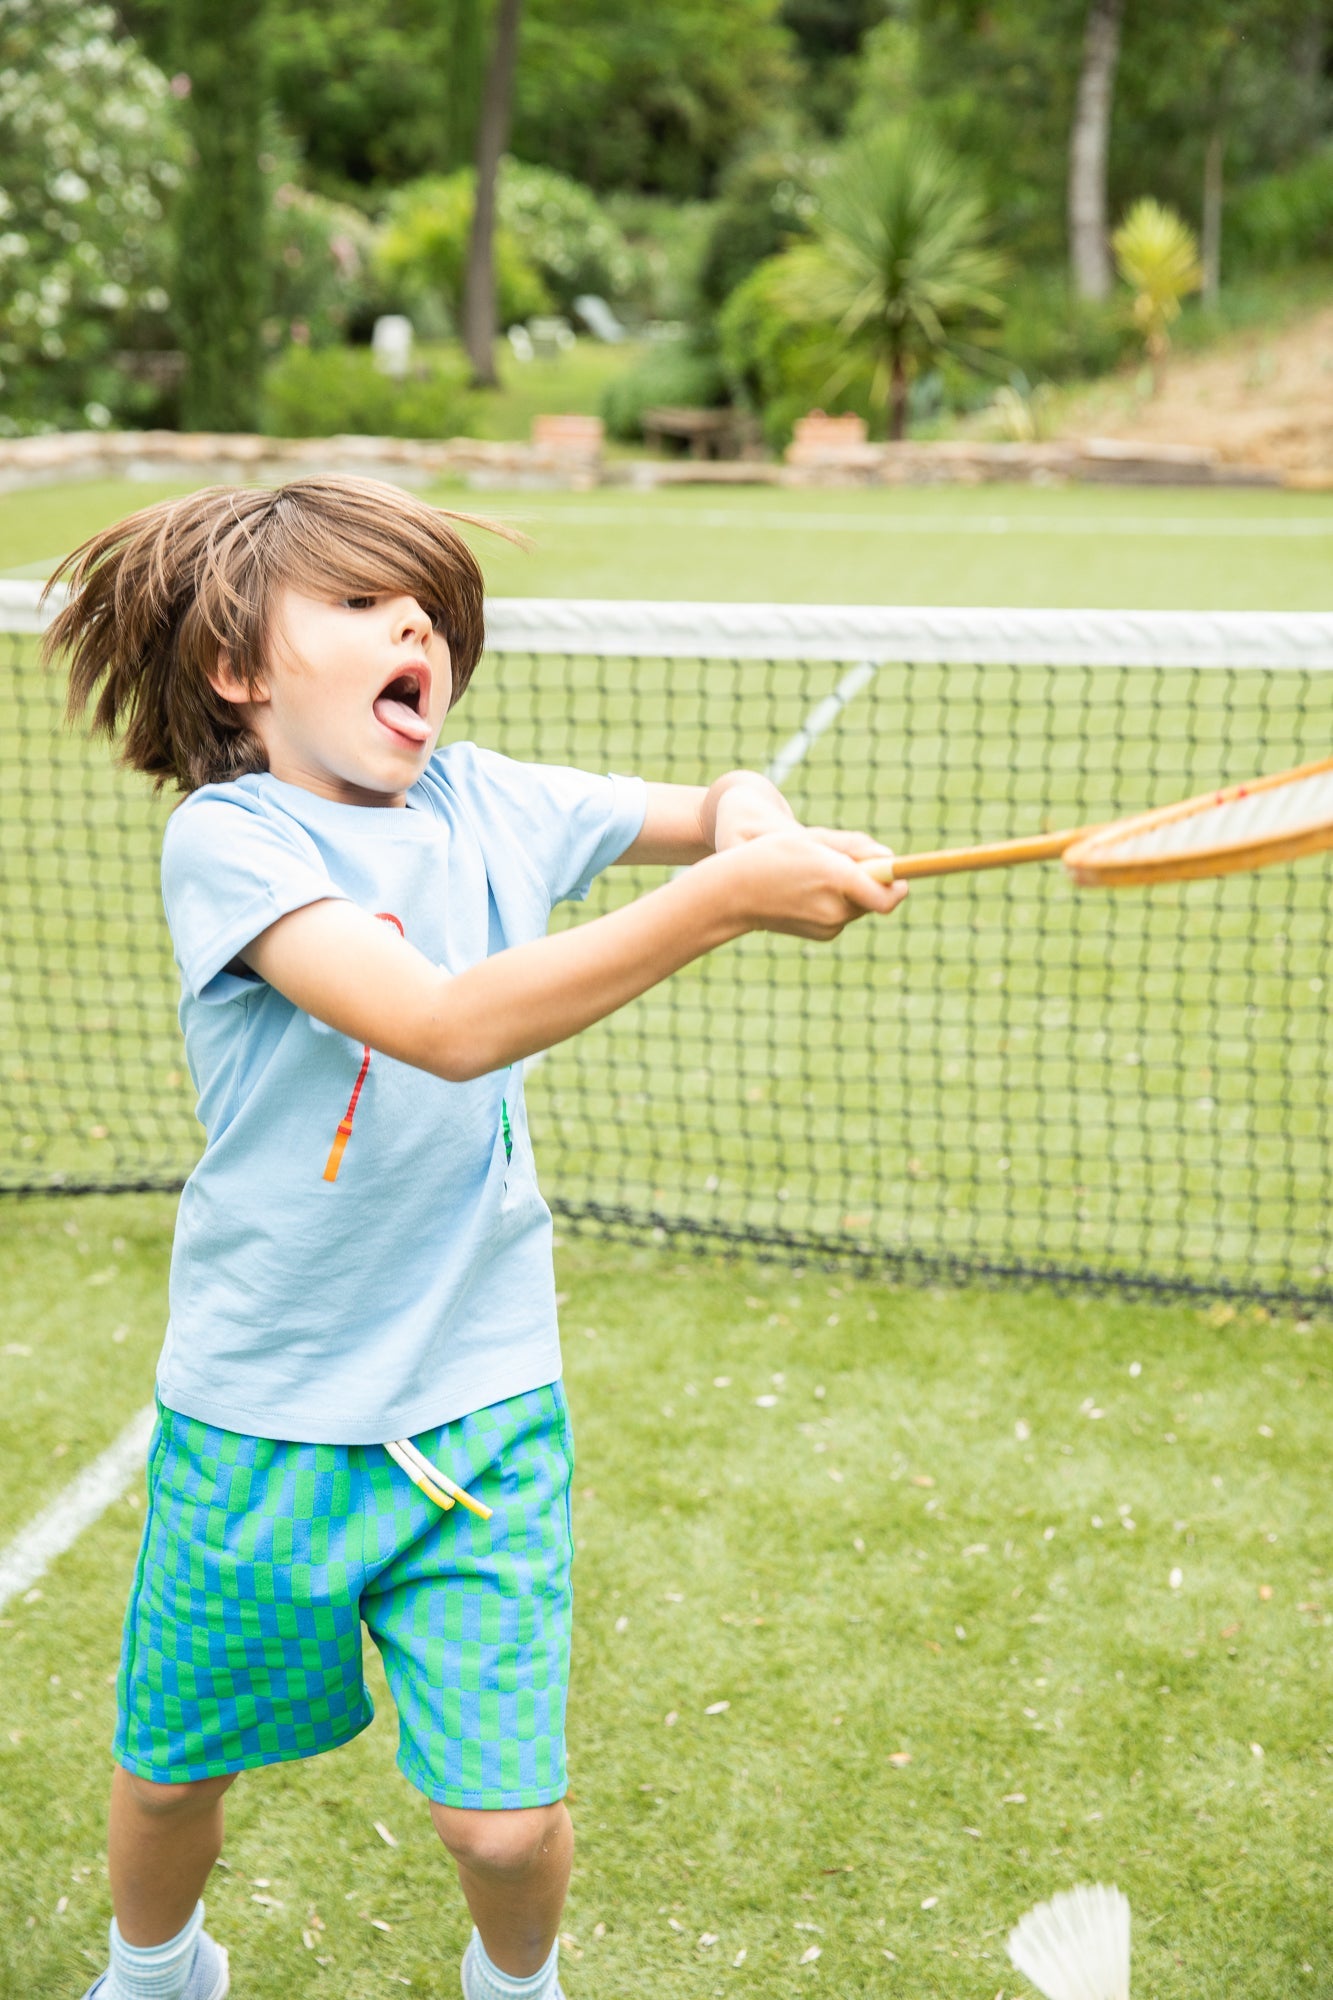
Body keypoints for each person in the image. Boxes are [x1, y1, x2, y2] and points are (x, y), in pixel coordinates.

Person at [45, 476, 907, 2000]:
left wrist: (753, 826)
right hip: (259, 1411)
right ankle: (157, 1967)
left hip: (481, 1409)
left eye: (427, 608)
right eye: (365, 605)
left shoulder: (489, 799)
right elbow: (439, 1025)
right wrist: (720, 903)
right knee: (176, 1778)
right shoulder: (233, 847)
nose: (415, 628)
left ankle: (516, 1983)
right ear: (241, 672)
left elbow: (713, 805)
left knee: (503, 1834)